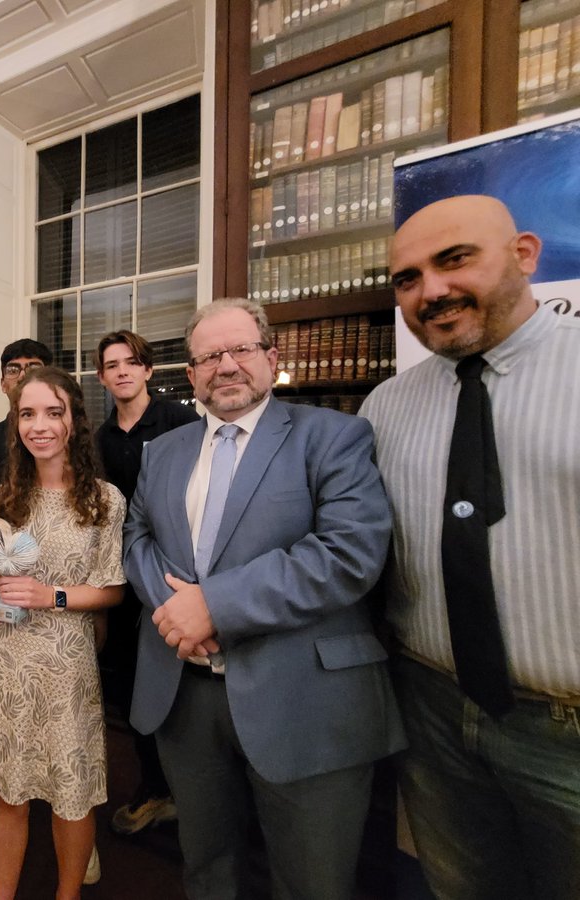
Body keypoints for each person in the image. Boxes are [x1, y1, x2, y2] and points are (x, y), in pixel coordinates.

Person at [123, 297, 405, 900]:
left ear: (271, 357)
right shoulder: (162, 452)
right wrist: (182, 619)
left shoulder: (335, 435)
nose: (225, 366)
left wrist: (215, 606)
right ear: (191, 374)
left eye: (240, 350)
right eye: (208, 356)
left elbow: (347, 553)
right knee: (206, 870)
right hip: (185, 701)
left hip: (305, 697)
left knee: (313, 881)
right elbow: (137, 540)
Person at [359, 194, 580, 900]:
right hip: (432, 716)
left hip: (566, 732)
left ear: (524, 255)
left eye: (455, 260)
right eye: (408, 279)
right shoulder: (385, 408)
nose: (432, 291)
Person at [0, 366, 126, 900]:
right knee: (7, 790)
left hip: (65, 663)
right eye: (27, 414)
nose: (40, 426)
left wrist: (50, 596)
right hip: (5, 658)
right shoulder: (9, 495)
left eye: (53, 413)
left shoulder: (104, 499)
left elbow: (112, 589)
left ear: (74, 420)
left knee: (70, 793)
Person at [92, 329, 197, 836]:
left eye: (131, 362)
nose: (122, 372)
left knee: (187, 688)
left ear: (149, 369)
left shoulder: (181, 422)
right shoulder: (99, 439)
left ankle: (194, 793)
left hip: (178, 573)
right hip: (121, 579)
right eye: (112, 365)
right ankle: (154, 788)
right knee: (134, 688)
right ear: (102, 377)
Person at [0, 338, 52, 490]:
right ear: (3, 384)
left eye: (33, 368)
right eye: (13, 370)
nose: (22, 376)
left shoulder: (68, 434)